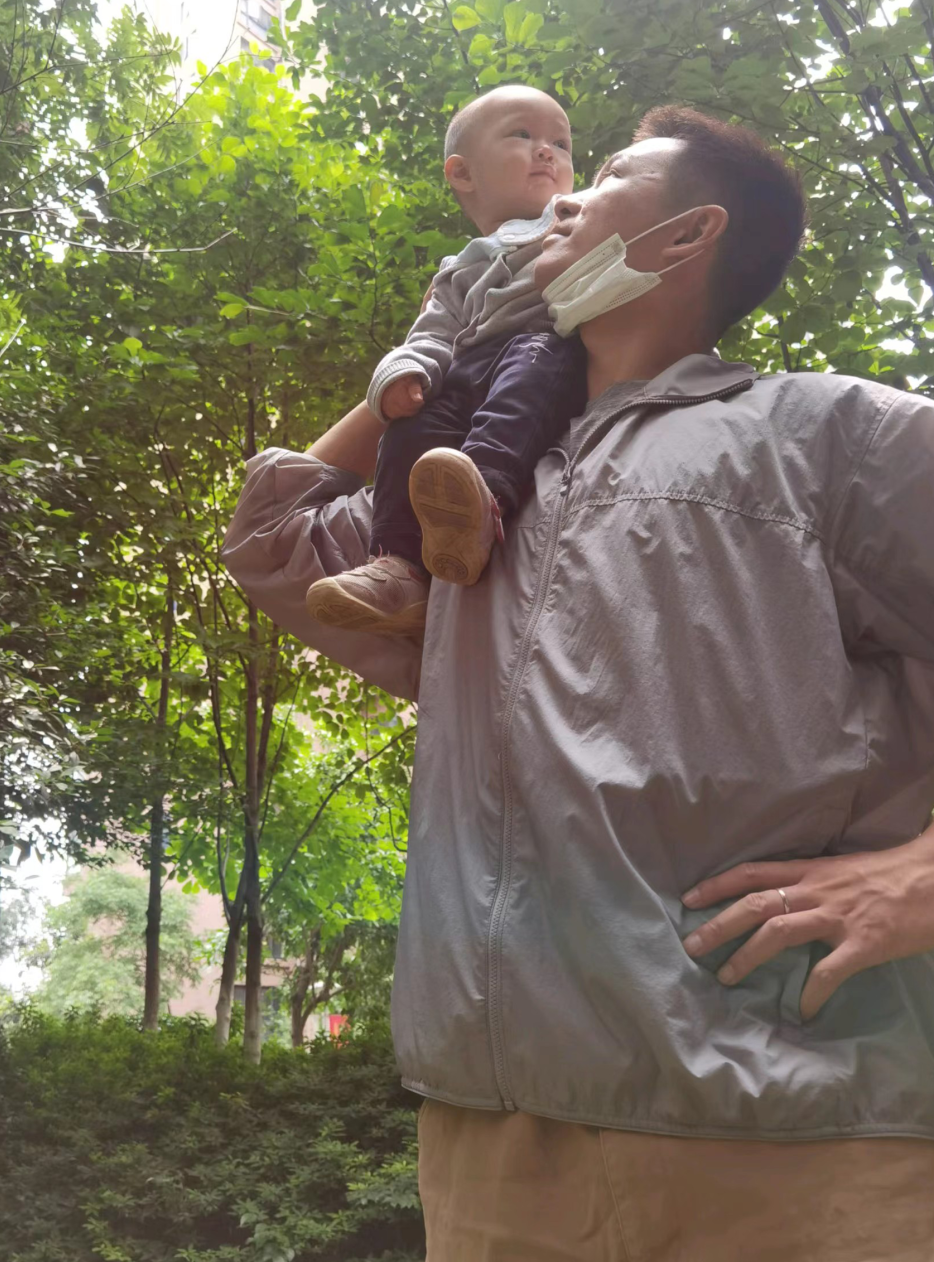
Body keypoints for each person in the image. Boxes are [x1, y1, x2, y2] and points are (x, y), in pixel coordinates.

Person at [224, 105, 934, 1261]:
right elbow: (272, 543)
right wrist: (433, 362)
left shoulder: (824, 433)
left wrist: (921, 877)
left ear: (685, 235)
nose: (560, 199)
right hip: (496, 1154)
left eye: (603, 177)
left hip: (801, 1142)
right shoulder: (463, 502)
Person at [306, 84, 586, 640]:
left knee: (531, 369)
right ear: (462, 173)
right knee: (414, 422)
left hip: (543, 349)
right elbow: (432, 334)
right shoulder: (457, 269)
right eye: (522, 134)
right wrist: (402, 375)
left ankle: (480, 498)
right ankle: (397, 565)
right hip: (471, 365)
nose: (547, 151)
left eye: (561, 143)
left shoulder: (577, 213)